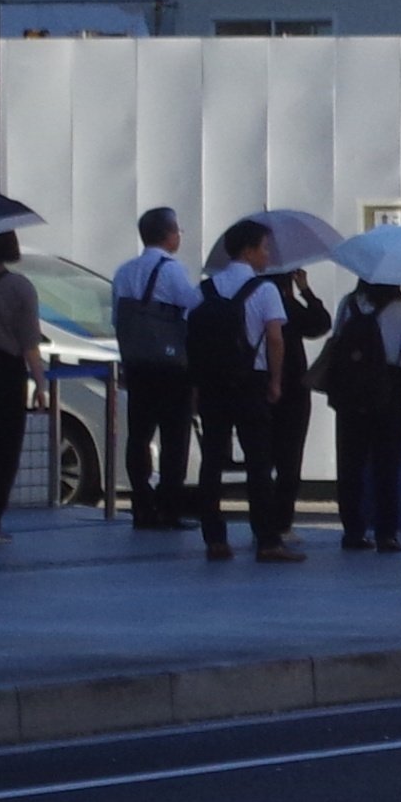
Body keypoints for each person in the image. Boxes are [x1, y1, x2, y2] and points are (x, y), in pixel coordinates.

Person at [185, 219, 302, 561]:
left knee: (212, 462)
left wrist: (195, 384)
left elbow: (192, 341)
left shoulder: (203, 290)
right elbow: (276, 340)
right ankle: (266, 539)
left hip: (211, 384)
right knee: (258, 462)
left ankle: (215, 538)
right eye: (265, 248)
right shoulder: (265, 291)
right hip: (251, 382)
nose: (268, 255)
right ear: (249, 250)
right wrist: (276, 381)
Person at [110, 207, 200, 529]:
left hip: (137, 364)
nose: (179, 236)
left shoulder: (124, 271)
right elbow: (193, 309)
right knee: (175, 437)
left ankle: (142, 502)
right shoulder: (172, 270)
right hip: (171, 366)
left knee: (139, 435)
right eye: (177, 230)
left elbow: (116, 318)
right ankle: (168, 507)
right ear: (168, 234)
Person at [321, 281, 401, 555]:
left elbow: (337, 339)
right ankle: (386, 534)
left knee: (350, 461)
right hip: (388, 389)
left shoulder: (348, 303)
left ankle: (353, 530)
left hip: (350, 389)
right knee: (386, 463)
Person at [0, 234, 39, 537]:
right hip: (6, 371)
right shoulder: (20, 287)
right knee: (5, 447)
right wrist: (41, 382)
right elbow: (30, 343)